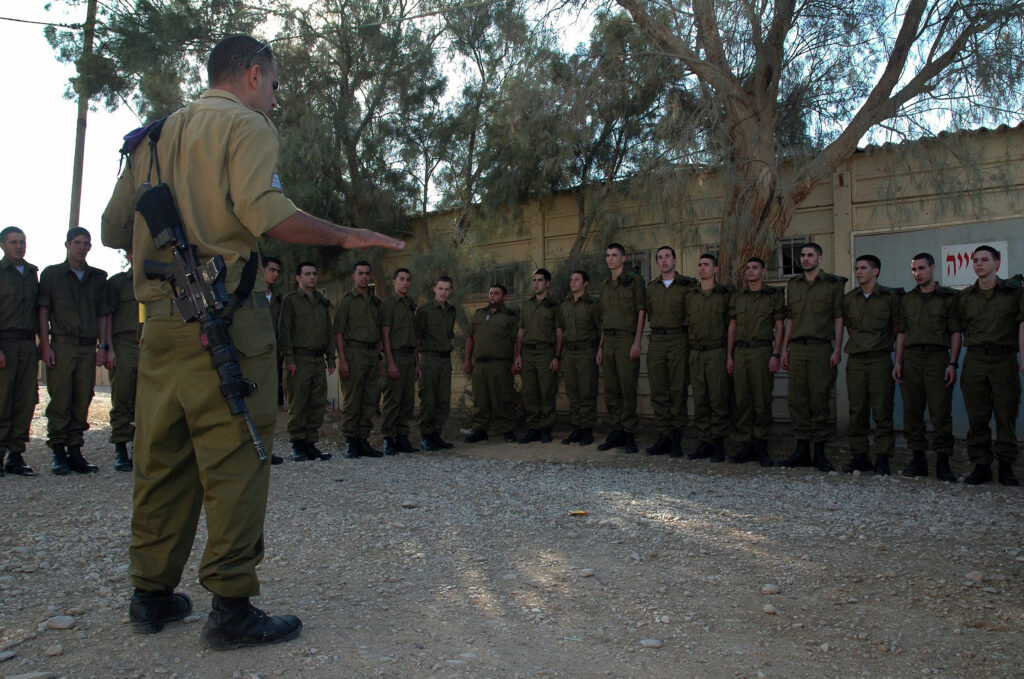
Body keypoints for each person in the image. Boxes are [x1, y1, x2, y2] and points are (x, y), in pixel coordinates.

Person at [101, 35, 403, 649]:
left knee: (161, 457)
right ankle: (231, 608)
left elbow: (112, 229)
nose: (275, 96)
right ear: (254, 75)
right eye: (274, 84)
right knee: (236, 454)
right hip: (227, 322)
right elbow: (266, 213)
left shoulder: (151, 139)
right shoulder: (246, 126)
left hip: (159, 326)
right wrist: (345, 235)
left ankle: (151, 596)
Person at [38, 227, 109, 476]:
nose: (81, 247)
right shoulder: (52, 275)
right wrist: (45, 346)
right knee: (60, 397)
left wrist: (103, 346)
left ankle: (75, 449)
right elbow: (44, 311)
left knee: (83, 397)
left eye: (86, 243)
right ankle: (58, 451)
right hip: (62, 344)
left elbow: (103, 315)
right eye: (77, 242)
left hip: (87, 347)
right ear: (67, 245)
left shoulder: (98, 277)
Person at [956, 245, 1023, 486]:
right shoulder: (965, 298)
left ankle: (1006, 467)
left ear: (997, 262)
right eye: (975, 260)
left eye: (984, 260)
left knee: (1006, 415)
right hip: (975, 359)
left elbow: (1022, 325)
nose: (978, 264)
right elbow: (960, 329)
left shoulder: (1013, 293)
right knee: (977, 415)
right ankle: (981, 466)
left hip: (1004, 359)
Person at [892, 252, 961, 482]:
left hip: (937, 358)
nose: (917, 274)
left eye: (922, 268)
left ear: (933, 267)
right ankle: (918, 460)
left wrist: (953, 362)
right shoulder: (907, 299)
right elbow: (902, 332)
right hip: (911, 359)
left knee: (940, 411)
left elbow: (955, 333)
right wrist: (898, 362)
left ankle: (943, 463)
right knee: (912, 411)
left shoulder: (947, 298)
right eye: (914, 269)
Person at [779, 242, 846, 472]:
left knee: (819, 399)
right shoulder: (794, 285)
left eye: (810, 255)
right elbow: (791, 319)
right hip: (797, 348)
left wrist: (837, 348)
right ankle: (801, 450)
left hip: (820, 348)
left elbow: (838, 317)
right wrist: (785, 349)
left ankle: (819, 452)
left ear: (820, 258)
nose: (805, 259)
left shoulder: (832, 284)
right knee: (797, 400)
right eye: (803, 255)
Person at [840, 255, 901, 476]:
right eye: (856, 268)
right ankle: (859, 455)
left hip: (880, 359)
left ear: (875, 271)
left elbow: (897, 327)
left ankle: (883, 457)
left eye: (863, 268)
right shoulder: (849, 300)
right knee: (857, 410)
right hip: (856, 359)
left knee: (882, 409)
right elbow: (849, 328)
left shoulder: (889, 297)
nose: (858, 272)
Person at [726, 257, 784, 466]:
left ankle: (761, 445)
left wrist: (776, 354)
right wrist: (729, 356)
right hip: (741, 352)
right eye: (747, 268)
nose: (750, 272)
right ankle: (746, 445)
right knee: (743, 400)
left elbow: (779, 326)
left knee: (761, 399)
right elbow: (732, 327)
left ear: (763, 271)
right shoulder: (738, 297)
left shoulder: (773, 296)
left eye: (754, 268)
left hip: (762, 351)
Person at [279, 261, 335, 462]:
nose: (312, 277)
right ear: (298, 278)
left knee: (317, 403)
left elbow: (328, 331)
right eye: (307, 274)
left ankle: (311, 443)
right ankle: (297, 443)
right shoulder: (290, 300)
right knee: (299, 402)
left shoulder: (322, 302)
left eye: (314, 273)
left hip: (317, 359)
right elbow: (284, 330)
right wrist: (289, 358)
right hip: (299, 359)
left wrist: (330, 359)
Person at [644, 246, 696, 457]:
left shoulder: (688, 285)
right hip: (657, 339)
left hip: (678, 339)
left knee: (678, 390)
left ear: (675, 260)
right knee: (659, 390)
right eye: (659, 258)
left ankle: (676, 437)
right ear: (656, 263)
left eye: (667, 257)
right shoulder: (652, 288)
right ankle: (663, 435)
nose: (663, 261)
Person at [597, 243, 646, 453]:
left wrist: (637, 341)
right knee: (612, 389)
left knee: (627, 388)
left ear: (623, 259)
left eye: (614, 255)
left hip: (626, 339)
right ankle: (616, 430)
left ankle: (629, 433)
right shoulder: (605, 285)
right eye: (607, 255)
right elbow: (603, 317)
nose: (610, 259)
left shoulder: (634, 281)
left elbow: (641, 311)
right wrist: (600, 347)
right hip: (609, 341)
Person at [683, 253, 732, 462]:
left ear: (716, 269)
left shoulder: (724, 294)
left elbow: (732, 326)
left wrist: (729, 355)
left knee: (718, 398)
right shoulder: (691, 296)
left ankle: (719, 442)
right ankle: (705, 441)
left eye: (706, 265)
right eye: (700, 265)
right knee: (701, 399)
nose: (702, 268)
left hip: (717, 351)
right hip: (697, 352)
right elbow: (687, 326)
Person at [0, 226, 39, 477]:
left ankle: (16, 454)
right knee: (3, 400)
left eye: (22, 241)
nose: (19, 246)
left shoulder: (31, 273)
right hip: (5, 342)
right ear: (3, 245)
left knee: (26, 400)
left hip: (28, 344)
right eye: (14, 242)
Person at [334, 260, 383, 459]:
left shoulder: (375, 302)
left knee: (369, 399)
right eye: (360, 273)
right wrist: (342, 360)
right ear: (354, 276)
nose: (364, 277)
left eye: (367, 273)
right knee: (353, 399)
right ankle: (351, 441)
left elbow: (378, 331)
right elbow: (338, 332)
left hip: (372, 354)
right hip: (353, 353)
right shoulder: (346, 301)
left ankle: (363, 439)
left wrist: (379, 359)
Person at [464, 284, 518, 443]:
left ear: (504, 297)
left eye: (496, 293)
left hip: (500, 364)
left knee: (503, 399)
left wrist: (516, 360)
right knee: (480, 400)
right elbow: (470, 338)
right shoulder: (479, 314)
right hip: (480, 365)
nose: (492, 296)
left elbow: (516, 340)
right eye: (491, 293)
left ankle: (506, 429)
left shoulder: (510, 316)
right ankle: (480, 430)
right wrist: (468, 360)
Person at [514, 268, 562, 443]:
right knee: (530, 392)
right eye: (534, 280)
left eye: (539, 280)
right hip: (527, 352)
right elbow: (521, 331)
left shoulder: (554, 306)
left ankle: (546, 428)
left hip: (545, 352)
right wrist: (518, 355)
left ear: (547, 283)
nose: (536, 283)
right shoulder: (527, 305)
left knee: (546, 391)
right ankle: (533, 427)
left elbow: (558, 332)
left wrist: (557, 356)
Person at [104, 251, 140, 472]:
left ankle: (140, 449)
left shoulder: (157, 281)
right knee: (122, 397)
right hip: (124, 343)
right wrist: (107, 347)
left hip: (149, 344)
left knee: (146, 401)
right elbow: (106, 316)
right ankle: (120, 449)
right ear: (128, 256)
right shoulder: (117, 283)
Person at [558, 271, 601, 446]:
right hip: (569, 353)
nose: (572, 282)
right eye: (571, 279)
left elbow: (600, 329)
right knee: (573, 393)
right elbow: (561, 330)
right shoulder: (565, 305)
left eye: (577, 279)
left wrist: (600, 350)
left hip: (586, 352)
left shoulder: (592, 304)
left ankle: (587, 430)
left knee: (586, 392)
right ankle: (576, 428)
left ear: (586, 283)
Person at [380, 268, 420, 454]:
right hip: (394, 355)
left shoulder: (410, 305)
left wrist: (417, 364)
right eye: (401, 279)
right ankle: (388, 438)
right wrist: (390, 362)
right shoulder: (388, 304)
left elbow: (414, 338)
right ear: (394, 282)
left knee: (407, 401)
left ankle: (402, 437)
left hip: (408, 357)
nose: (405, 282)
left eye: (408, 279)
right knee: (392, 400)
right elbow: (385, 334)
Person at [416, 275, 456, 451]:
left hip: (445, 360)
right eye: (441, 288)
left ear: (451, 291)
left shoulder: (451, 311)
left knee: (443, 400)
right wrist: (417, 364)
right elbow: (417, 339)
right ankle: (426, 435)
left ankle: (436, 434)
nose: (444, 292)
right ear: (434, 289)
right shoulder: (424, 311)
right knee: (428, 399)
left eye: (447, 289)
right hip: (429, 359)